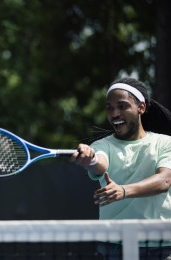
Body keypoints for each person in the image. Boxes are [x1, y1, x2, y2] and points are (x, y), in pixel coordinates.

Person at [70, 77, 171, 259]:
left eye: (122, 106)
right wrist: (90, 159)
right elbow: (100, 164)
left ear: (141, 107)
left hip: (161, 243)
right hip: (114, 245)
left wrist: (123, 191)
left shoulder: (165, 143)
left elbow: (164, 180)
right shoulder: (102, 145)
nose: (114, 113)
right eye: (109, 108)